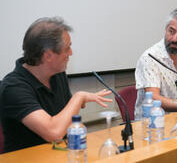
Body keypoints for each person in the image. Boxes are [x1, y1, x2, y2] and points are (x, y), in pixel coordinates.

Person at [0, 17, 112, 153]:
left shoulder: (57, 74)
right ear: (48, 56)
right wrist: (78, 97)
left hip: (59, 155)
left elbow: (68, 121)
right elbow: (54, 133)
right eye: (67, 48)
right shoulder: (13, 88)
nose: (71, 53)